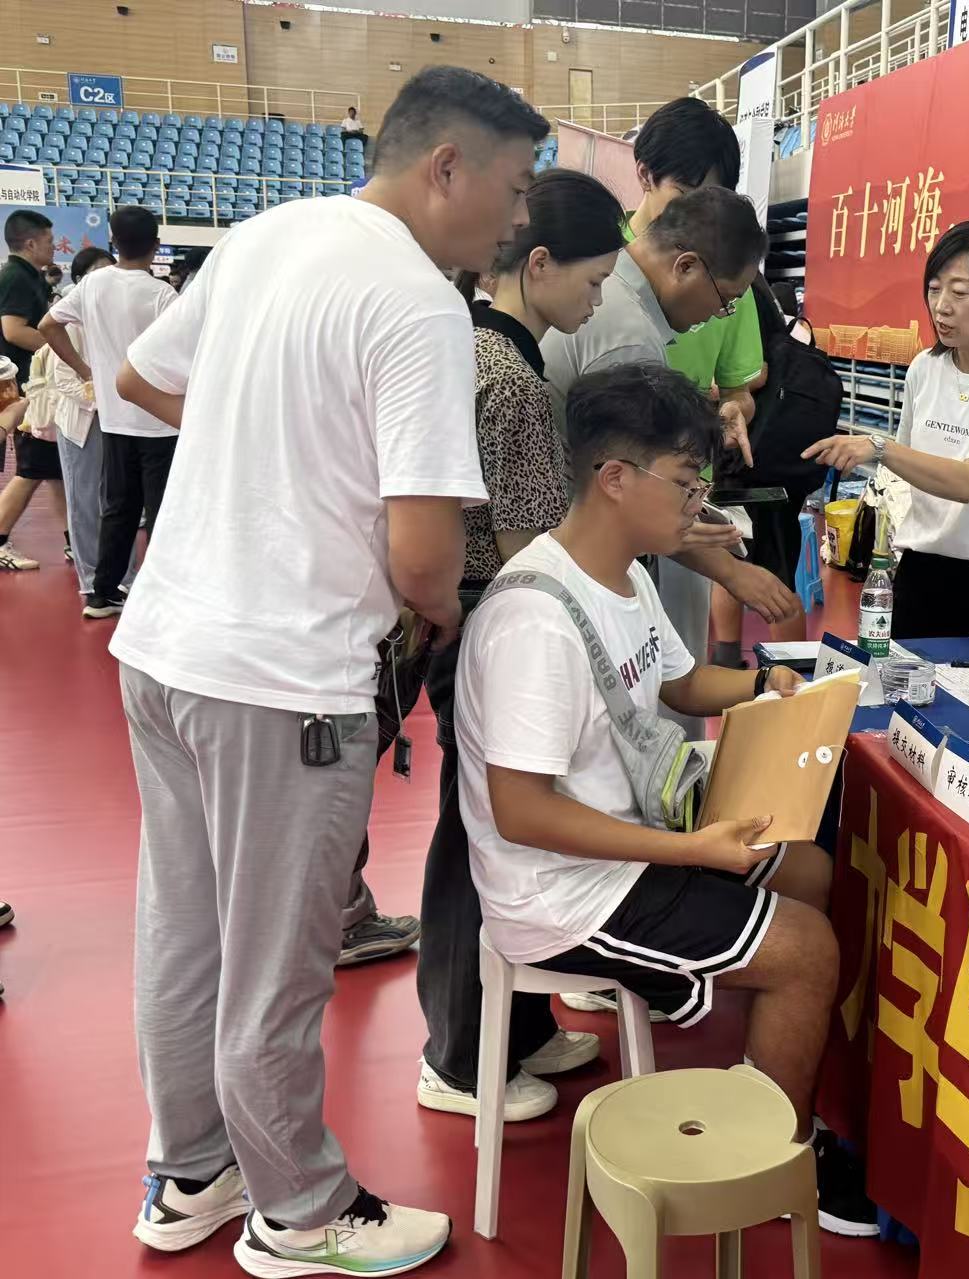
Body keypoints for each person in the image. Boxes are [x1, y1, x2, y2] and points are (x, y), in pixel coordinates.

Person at [109, 66, 546, 1276]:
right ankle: (299, 1209)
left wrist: (266, 460)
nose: (518, 217)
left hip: (166, 647)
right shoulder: (416, 302)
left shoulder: (266, 235)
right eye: (514, 187)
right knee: (277, 960)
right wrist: (439, 614)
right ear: (446, 167)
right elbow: (424, 554)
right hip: (283, 675)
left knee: (185, 932)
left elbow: (142, 377)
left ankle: (191, 1172)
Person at [457, 361, 875, 1236]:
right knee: (806, 949)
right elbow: (521, 812)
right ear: (615, 478)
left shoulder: (625, 573)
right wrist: (693, 851)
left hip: (630, 838)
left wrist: (766, 684)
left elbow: (679, 685)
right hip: (562, 890)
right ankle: (772, 1165)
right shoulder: (536, 619)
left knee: (806, 870)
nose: (699, 506)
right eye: (686, 483)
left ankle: (768, 1087)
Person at [410, 167, 629, 1123]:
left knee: (478, 829)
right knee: (483, 836)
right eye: (592, 281)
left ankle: (520, 1024)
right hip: (488, 627)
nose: (596, 301)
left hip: (464, 622)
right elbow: (526, 549)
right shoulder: (510, 381)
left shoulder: (473, 348)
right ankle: (462, 1056)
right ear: (537, 264)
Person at [540, 184, 795, 733]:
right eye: (726, 300)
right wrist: (733, 572)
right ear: (686, 266)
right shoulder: (628, 335)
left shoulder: (618, 303)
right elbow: (639, 495)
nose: (720, 314)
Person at [610, 97, 791, 666]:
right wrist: (733, 574)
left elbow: (739, 387)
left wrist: (733, 411)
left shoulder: (724, 270)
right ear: (645, 175)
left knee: (674, 665)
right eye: (687, 194)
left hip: (686, 500)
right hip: (623, 500)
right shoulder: (609, 277)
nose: (700, 215)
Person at [804, 220, 969, 639]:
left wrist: (879, 447)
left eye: (960, 292)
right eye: (934, 289)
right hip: (920, 571)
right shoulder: (924, 368)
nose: (941, 306)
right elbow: (908, 470)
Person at [42, 205, 179, 621]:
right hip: (159, 420)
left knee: (118, 507)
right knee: (162, 513)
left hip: (115, 418)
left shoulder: (93, 284)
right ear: (156, 245)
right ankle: (163, 596)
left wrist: (87, 371)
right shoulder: (162, 295)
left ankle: (102, 595)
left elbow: (48, 326)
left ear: (114, 242)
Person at [34, 246, 119, 600]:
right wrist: (106, 397)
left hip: (117, 419)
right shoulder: (67, 319)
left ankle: (120, 574)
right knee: (84, 502)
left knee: (116, 501)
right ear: (82, 280)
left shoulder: (116, 314)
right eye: (100, 273)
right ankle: (90, 577)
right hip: (82, 422)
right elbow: (65, 382)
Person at [0, 210, 67, 572]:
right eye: (49, 241)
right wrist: (61, 350)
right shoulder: (16, 278)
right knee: (32, 468)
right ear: (30, 243)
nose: (54, 247)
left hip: (32, 388)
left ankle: (76, 539)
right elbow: (13, 330)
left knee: (52, 467)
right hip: (25, 389)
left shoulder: (28, 276)